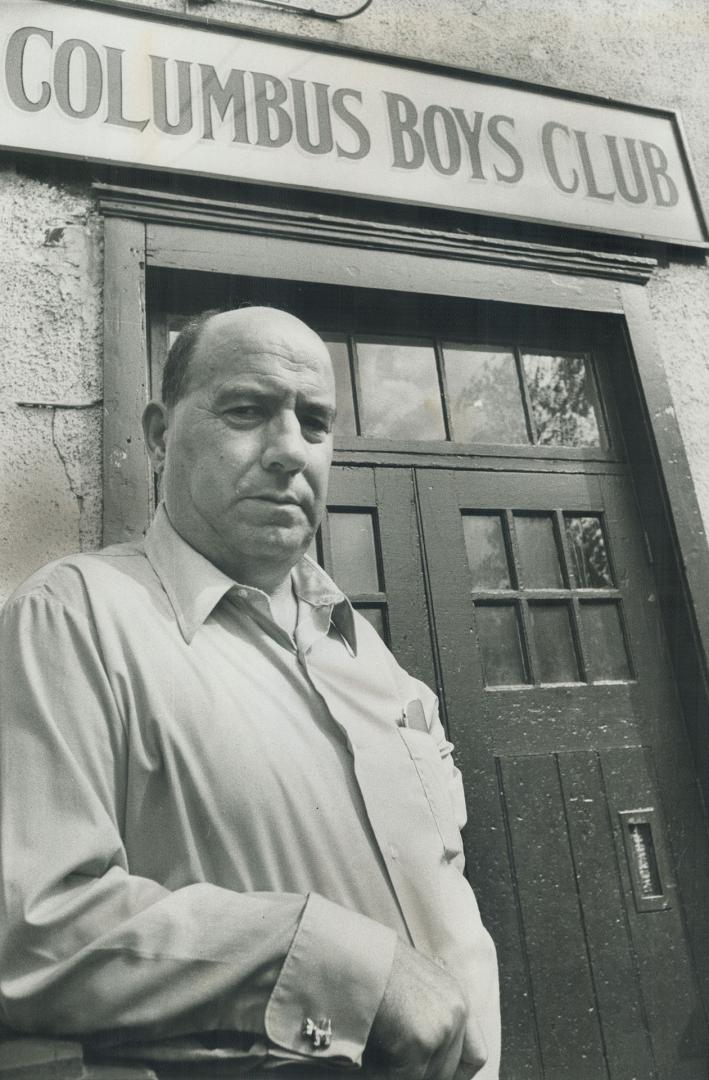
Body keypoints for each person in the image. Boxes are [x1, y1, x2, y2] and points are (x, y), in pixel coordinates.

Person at [0, 307, 500, 1080]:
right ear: (161, 433)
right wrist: (343, 965)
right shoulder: (75, 615)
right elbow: (29, 929)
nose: (288, 450)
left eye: (314, 422)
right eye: (247, 411)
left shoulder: (370, 661)